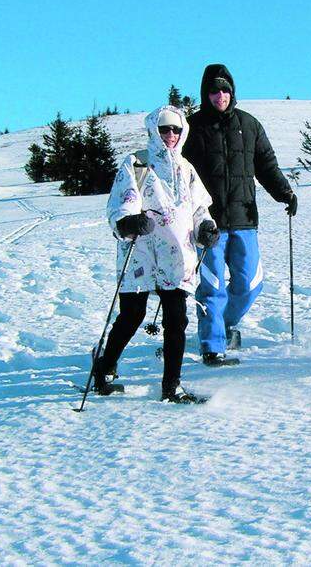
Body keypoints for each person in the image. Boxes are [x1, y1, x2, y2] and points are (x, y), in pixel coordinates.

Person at [93, 105, 220, 403]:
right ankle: (105, 368)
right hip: (140, 252)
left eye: (176, 129)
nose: (171, 135)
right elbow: (122, 199)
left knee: (176, 319)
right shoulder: (137, 162)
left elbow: (199, 207)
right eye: (164, 129)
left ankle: (171, 387)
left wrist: (206, 226)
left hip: (177, 255)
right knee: (132, 315)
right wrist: (127, 221)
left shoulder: (186, 168)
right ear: (153, 130)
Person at [183, 64, 297, 366]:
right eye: (213, 90)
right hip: (208, 223)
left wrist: (285, 193)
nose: (220, 95)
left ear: (232, 92)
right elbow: (179, 175)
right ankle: (212, 344)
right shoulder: (191, 128)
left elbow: (267, 166)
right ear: (205, 94)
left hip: (245, 219)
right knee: (212, 285)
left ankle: (224, 324)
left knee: (249, 284)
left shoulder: (249, 125)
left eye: (225, 90)